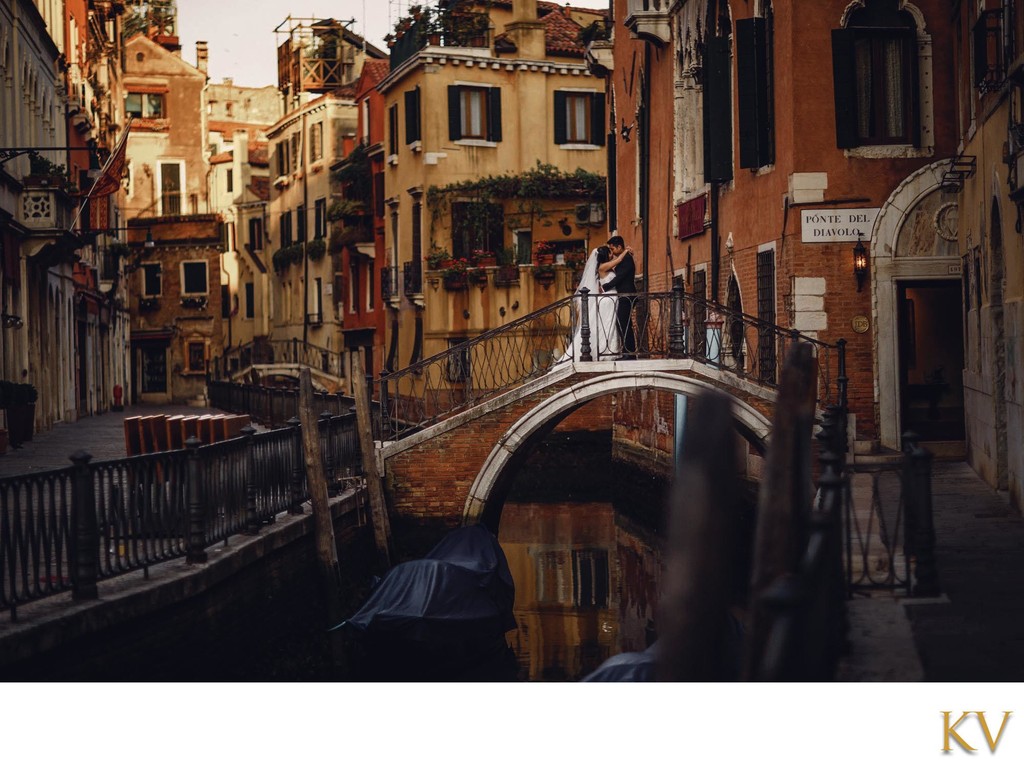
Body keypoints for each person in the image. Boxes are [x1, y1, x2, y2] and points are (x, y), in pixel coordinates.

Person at [555, 245, 621, 363]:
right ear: (605, 256)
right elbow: (618, 260)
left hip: (611, 299)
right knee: (606, 325)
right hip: (608, 300)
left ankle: (609, 350)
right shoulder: (602, 267)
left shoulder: (606, 267)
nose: (612, 254)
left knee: (609, 326)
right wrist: (625, 252)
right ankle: (606, 351)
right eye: (609, 252)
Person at [603, 236, 637, 358]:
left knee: (625, 323)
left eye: (613, 248)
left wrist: (605, 287)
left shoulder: (627, 259)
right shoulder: (624, 258)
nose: (612, 251)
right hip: (623, 296)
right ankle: (628, 351)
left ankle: (630, 353)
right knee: (623, 323)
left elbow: (620, 277)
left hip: (627, 295)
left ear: (619, 247)